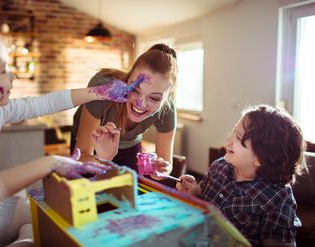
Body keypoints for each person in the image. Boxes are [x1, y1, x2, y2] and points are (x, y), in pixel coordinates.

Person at [0, 24, 137, 247]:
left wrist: (98, 92)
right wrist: (51, 163)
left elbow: (44, 103)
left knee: (42, 217)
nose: (13, 76)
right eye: (3, 70)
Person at [176, 105, 306, 246]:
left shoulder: (278, 198)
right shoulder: (219, 166)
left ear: (261, 158)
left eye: (238, 137)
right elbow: (204, 198)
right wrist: (194, 192)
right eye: (233, 130)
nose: (229, 138)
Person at [71, 43, 178, 180]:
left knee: (128, 192)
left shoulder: (167, 110)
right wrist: (103, 159)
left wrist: (160, 169)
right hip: (91, 146)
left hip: (130, 146)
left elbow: (165, 168)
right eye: (135, 89)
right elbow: (81, 157)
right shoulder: (104, 87)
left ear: (167, 98)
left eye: (154, 98)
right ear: (128, 78)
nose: (140, 103)